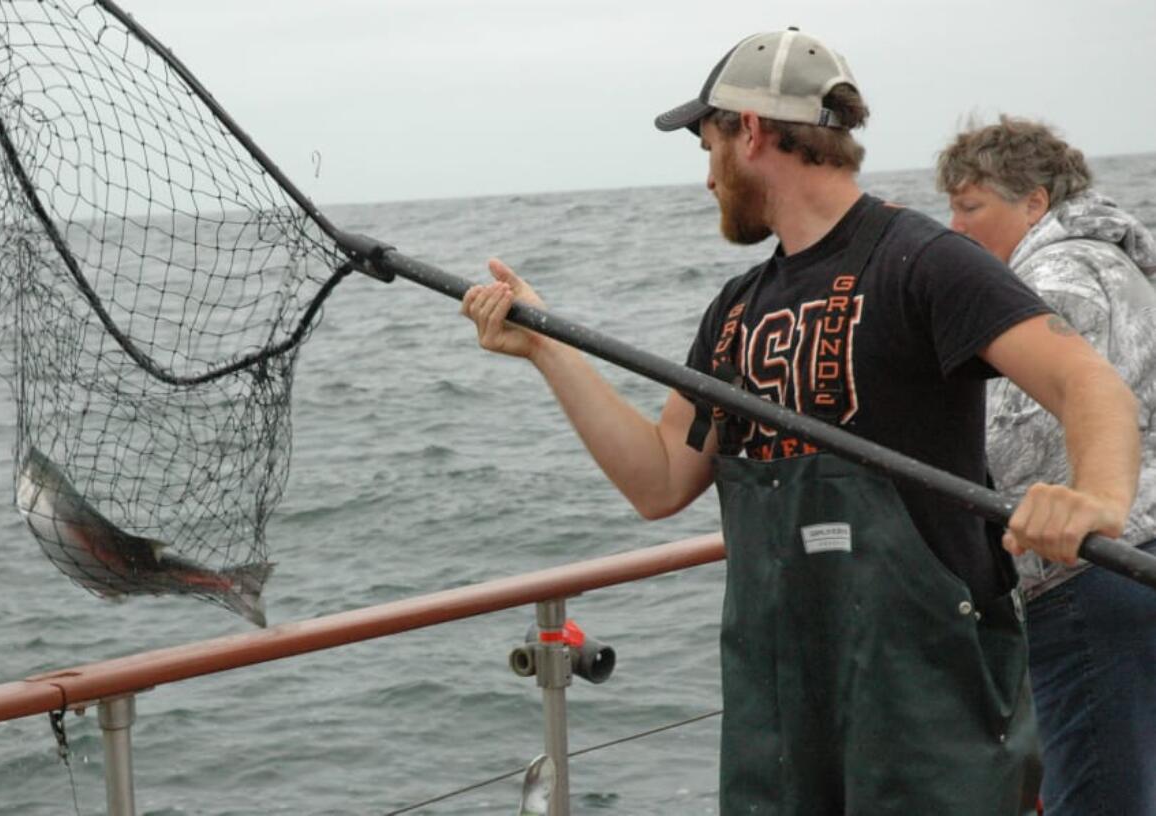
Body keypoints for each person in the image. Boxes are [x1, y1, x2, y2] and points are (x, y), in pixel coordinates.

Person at [463, 29, 1141, 815]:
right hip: (779, 714)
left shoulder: (923, 263)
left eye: (706, 141)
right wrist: (548, 348)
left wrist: (1095, 498)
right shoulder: (735, 310)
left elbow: (1091, 385)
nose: (706, 174)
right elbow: (658, 479)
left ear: (748, 131)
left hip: (926, 709)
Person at [938, 116, 1156, 816]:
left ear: (1034, 201)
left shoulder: (1052, 276)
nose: (955, 227)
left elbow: (1022, 443)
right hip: (1139, 552)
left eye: (971, 207)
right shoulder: (1114, 260)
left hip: (1090, 569)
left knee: (1095, 795)